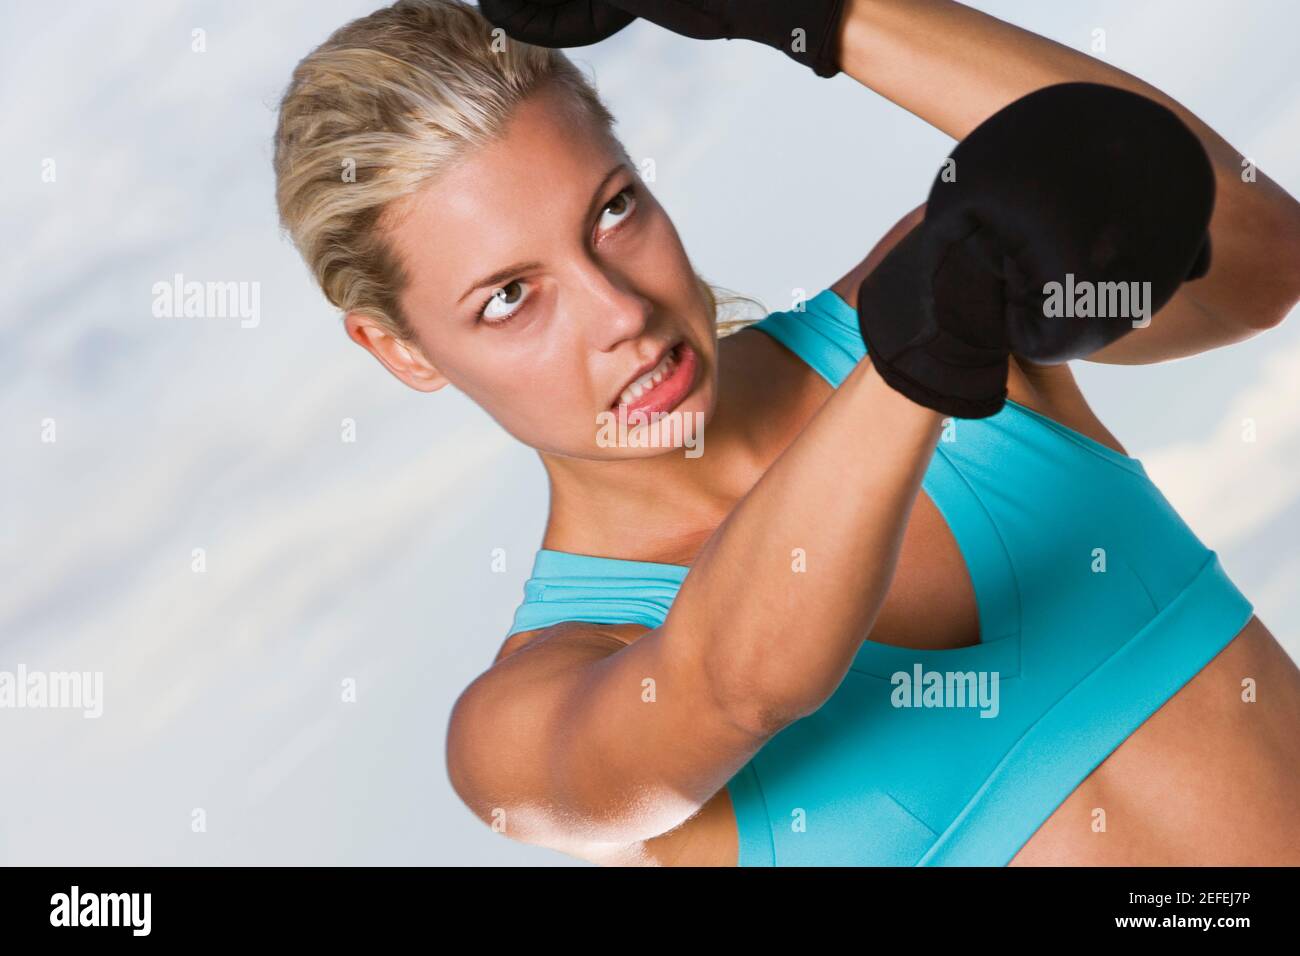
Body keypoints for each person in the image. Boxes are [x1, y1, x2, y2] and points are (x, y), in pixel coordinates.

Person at [272, 0, 1300, 865]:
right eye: (508, 298)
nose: (618, 309)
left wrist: (816, 12)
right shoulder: (520, 722)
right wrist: (922, 353)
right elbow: (734, 684)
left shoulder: (936, 292)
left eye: (615, 209)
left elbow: (1257, 255)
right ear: (398, 349)